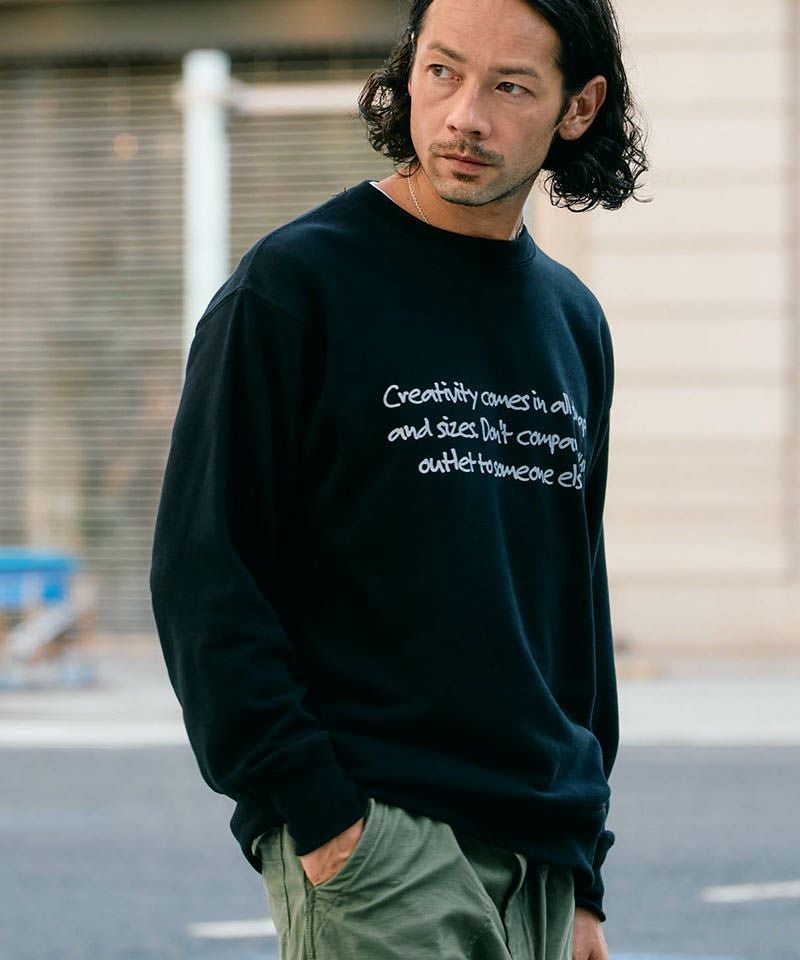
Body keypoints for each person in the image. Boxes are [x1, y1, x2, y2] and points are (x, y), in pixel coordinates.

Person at [149, 0, 648, 957]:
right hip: (380, 843)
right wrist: (318, 815)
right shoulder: (295, 287)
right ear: (408, 70)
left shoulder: (572, 321)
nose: (465, 115)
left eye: (510, 87)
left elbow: (571, 611)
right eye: (442, 71)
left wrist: (582, 875)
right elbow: (204, 576)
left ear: (578, 108)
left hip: (540, 858)